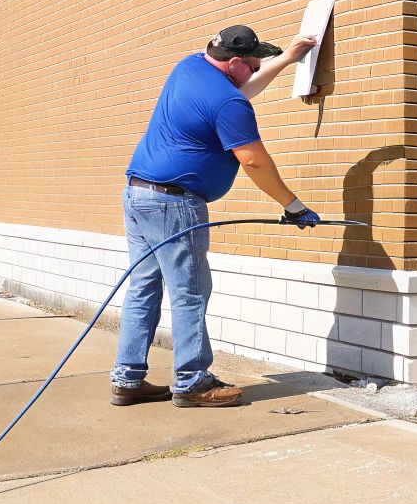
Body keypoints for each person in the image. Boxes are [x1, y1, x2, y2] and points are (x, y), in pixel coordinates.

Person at [112, 24, 320, 408]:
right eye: (255, 63)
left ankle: (127, 379)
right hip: (174, 204)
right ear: (236, 63)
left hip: (139, 194)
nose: (259, 69)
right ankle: (192, 382)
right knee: (190, 291)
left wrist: (287, 59)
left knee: (144, 288)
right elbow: (253, 159)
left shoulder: (191, 66)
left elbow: (238, 90)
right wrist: (294, 206)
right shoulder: (229, 104)